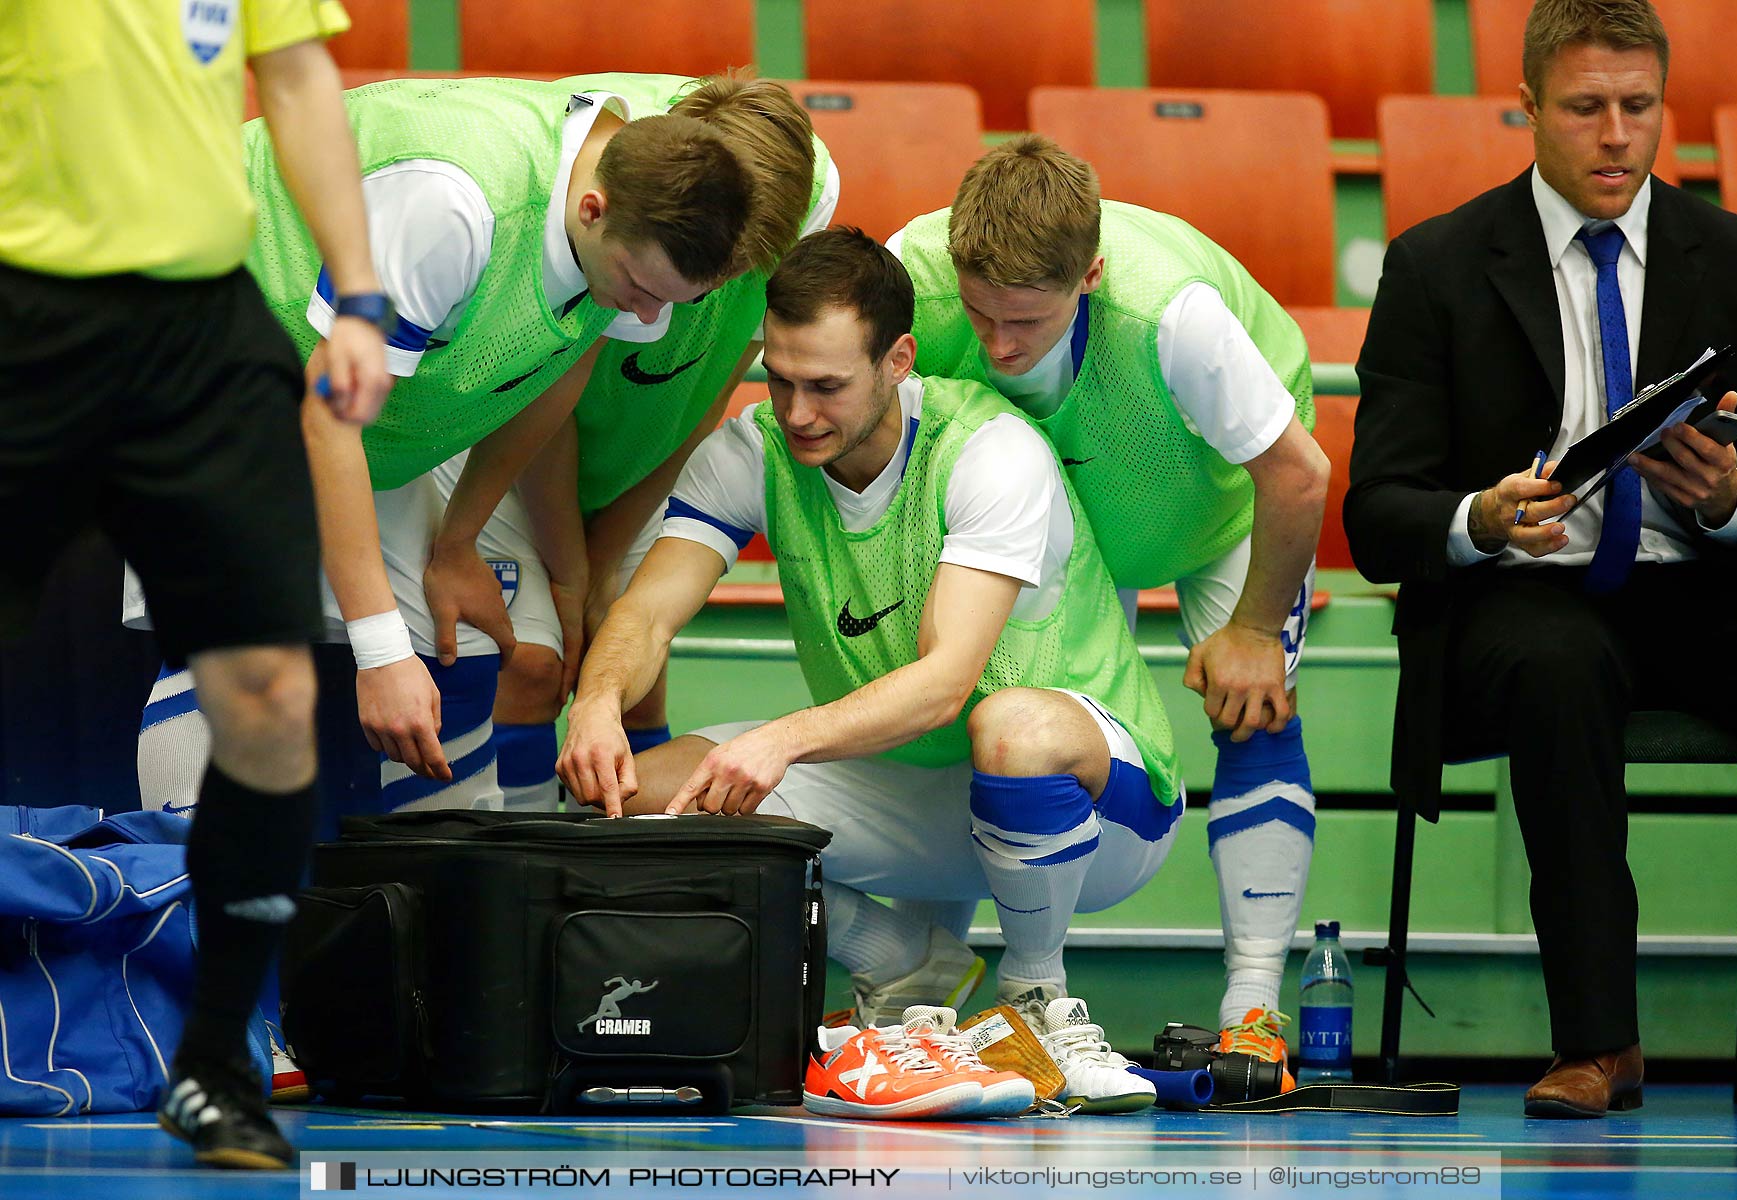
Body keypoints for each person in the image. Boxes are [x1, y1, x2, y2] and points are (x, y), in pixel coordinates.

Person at [558, 228, 1183, 1112]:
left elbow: (945, 683)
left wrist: (780, 741)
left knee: (1012, 725)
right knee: (631, 800)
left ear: (897, 360)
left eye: (826, 386)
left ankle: (1035, 996)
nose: (798, 411)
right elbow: (648, 610)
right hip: (916, 797)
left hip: (1102, 807)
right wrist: (595, 703)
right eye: (779, 378)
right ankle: (903, 959)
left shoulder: (988, 450)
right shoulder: (754, 449)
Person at [1346, 0, 1737, 1118]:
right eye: (1587, 108)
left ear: (1664, 112)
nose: (1614, 135)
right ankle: (1599, 1044)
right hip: (1526, 593)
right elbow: (1376, 513)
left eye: (1637, 108)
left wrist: (1733, 499)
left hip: (1705, 586)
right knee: (1558, 670)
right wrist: (1482, 519)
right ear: (1530, 108)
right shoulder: (1438, 263)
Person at [134, 74, 782, 821]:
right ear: (592, 211)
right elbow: (326, 419)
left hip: (354, 400)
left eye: (674, 299)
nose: (650, 316)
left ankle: (438, 910)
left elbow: (552, 370)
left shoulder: (635, 223)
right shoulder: (451, 206)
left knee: (465, 639)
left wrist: (458, 542)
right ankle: (181, 904)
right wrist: (379, 655)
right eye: (640, 288)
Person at [1, 1, 390, 1169]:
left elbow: (302, 76)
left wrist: (360, 293)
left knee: (269, 699)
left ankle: (216, 1065)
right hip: (26, 315)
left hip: (203, 333)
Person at [889, 137, 1330, 1082]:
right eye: (979, 315)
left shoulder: (1178, 317)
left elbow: (1298, 475)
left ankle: (1253, 1010)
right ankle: (956, 1000)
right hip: (1061, 496)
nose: (998, 346)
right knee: (995, 707)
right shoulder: (907, 277)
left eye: (1027, 321)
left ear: (1089, 275)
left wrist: (1252, 631)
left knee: (1255, 714)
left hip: (1217, 500)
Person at [481, 78, 839, 812]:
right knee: (534, 666)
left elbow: (704, 399)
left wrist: (608, 559)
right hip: (514, 439)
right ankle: (513, 890)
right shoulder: (610, 186)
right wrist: (575, 576)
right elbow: (545, 406)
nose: (712, 292)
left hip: (642, 448)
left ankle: (624, 900)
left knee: (634, 685)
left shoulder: (812, 187)